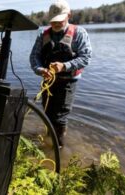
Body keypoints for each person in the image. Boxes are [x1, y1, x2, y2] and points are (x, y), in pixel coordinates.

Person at [30, 0, 92, 148]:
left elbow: (85, 58)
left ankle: (58, 149)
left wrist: (64, 66)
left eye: (60, 21)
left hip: (69, 81)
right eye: (53, 21)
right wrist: (40, 70)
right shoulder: (42, 35)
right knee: (47, 113)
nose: (56, 24)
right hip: (48, 81)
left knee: (60, 117)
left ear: (68, 16)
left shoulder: (79, 33)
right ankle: (48, 138)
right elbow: (34, 57)